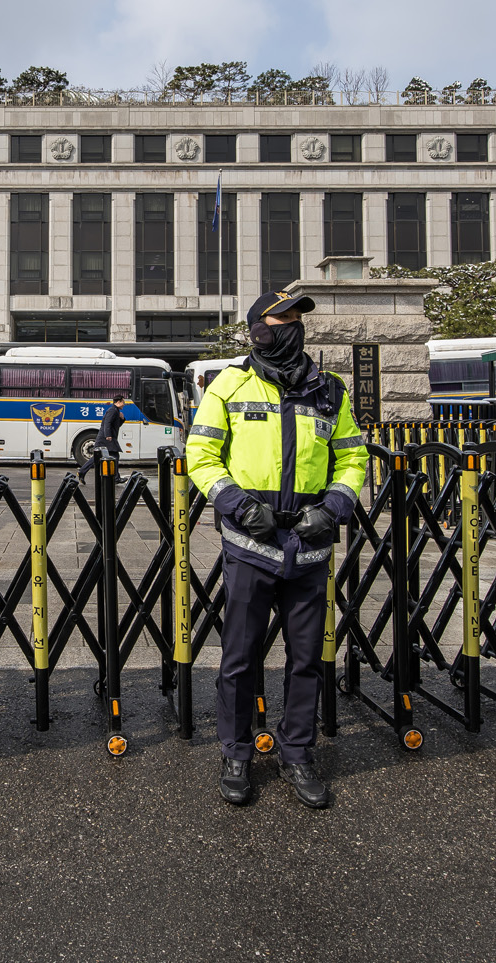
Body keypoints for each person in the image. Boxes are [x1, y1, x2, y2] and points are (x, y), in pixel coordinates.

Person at [186, 292, 367, 809]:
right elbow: (199, 455)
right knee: (239, 658)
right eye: (283, 318)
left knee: (307, 658)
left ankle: (297, 752)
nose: (293, 326)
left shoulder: (330, 391)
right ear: (257, 329)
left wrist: (332, 508)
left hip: (309, 547)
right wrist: (238, 506)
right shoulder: (229, 385)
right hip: (249, 544)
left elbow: (353, 458)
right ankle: (237, 752)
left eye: (297, 319)